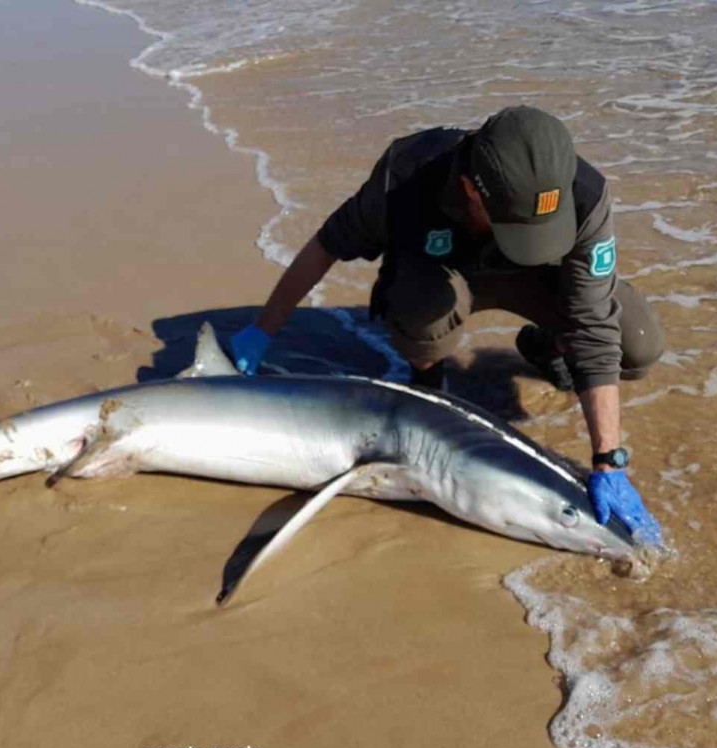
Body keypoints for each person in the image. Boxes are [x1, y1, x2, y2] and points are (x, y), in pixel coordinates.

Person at [230, 106, 664, 543]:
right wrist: (262, 331)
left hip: (537, 281)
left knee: (637, 344)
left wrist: (608, 460)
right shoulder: (407, 176)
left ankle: (551, 346)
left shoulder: (584, 194)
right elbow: (326, 246)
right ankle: (427, 381)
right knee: (424, 306)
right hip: (443, 278)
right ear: (470, 190)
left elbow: (594, 321)